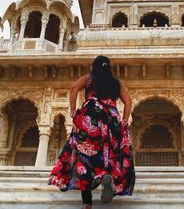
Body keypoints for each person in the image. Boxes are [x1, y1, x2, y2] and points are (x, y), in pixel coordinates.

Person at [48, 55, 135, 209]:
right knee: (109, 154)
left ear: (94, 66)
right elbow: (128, 101)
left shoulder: (89, 78)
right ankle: (106, 176)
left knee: (84, 158)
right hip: (110, 121)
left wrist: (73, 110)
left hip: (90, 119)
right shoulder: (116, 83)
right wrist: (125, 120)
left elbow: (74, 88)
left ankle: (87, 202)